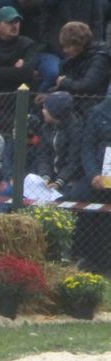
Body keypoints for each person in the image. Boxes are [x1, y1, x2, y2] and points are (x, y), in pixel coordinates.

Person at [74, 97, 111, 270]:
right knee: (87, 208)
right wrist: (93, 174)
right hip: (100, 178)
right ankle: (91, 260)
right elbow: (87, 147)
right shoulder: (98, 112)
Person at [35, 1, 103, 94]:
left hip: (82, 50)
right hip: (53, 50)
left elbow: (97, 24)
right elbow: (44, 16)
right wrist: (62, 46)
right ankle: (39, 102)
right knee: (54, 72)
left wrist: (88, 47)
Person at [37, 91, 83, 200]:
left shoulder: (76, 130)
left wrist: (58, 182)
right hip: (50, 177)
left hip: (71, 179)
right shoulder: (45, 128)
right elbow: (43, 157)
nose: (43, 111)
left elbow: (73, 162)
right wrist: (45, 177)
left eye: (45, 109)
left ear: (54, 112)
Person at [52, 21, 110, 104]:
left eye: (68, 46)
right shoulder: (70, 61)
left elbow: (87, 86)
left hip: (91, 106)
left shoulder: (100, 59)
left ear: (79, 44)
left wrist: (64, 82)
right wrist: (49, 95)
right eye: (63, 46)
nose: (65, 50)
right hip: (73, 104)